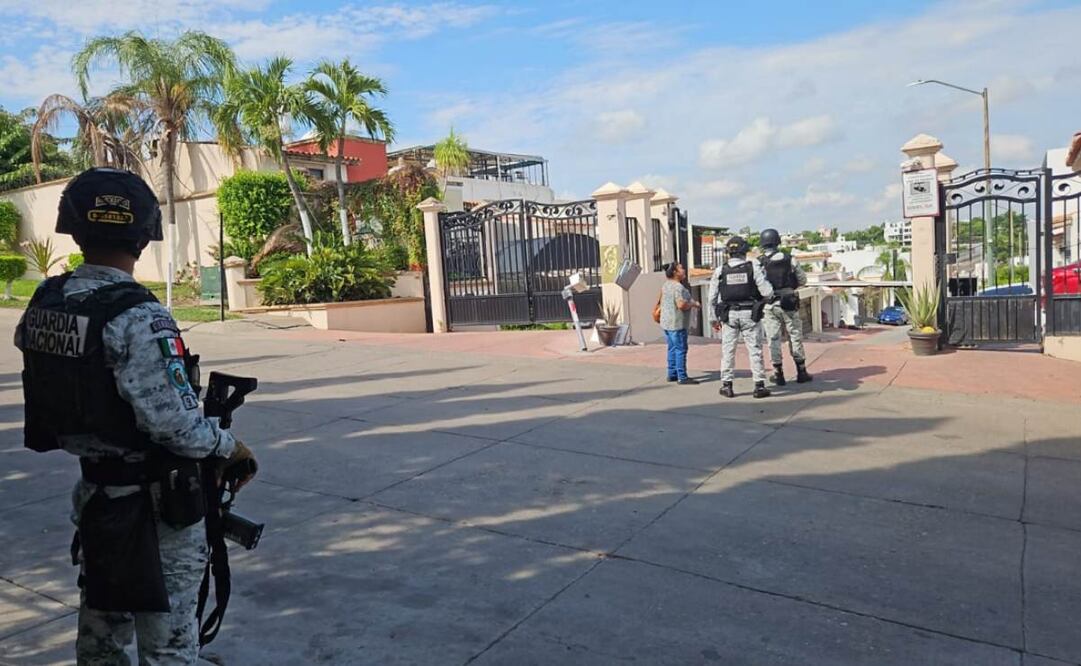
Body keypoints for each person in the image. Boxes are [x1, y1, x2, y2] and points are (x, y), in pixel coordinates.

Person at [15, 168, 256, 665]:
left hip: (97, 496)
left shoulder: (45, 303)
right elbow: (173, 425)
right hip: (159, 508)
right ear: (144, 237)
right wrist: (229, 447)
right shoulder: (138, 315)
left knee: (102, 635)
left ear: (73, 230)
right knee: (169, 644)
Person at [709, 235, 774, 398]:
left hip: (729, 315)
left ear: (728, 252)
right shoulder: (753, 268)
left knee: (728, 351)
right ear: (744, 251)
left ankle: (727, 385)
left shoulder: (720, 270)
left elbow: (712, 298)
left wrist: (713, 319)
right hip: (750, 314)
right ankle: (759, 386)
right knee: (755, 350)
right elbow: (767, 292)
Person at [758, 228, 812, 385]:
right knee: (794, 336)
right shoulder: (790, 259)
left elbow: (758, 285)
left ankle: (778, 374)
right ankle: (801, 371)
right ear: (777, 242)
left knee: (773, 338)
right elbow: (802, 280)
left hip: (770, 305)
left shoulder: (759, 262)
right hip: (789, 302)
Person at [659, 262, 700, 384]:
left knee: (672, 348)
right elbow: (681, 304)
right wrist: (693, 304)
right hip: (677, 323)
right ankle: (682, 376)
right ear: (675, 272)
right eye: (680, 268)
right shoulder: (678, 287)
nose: (683, 270)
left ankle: (672, 373)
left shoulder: (666, 285)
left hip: (666, 323)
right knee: (681, 349)